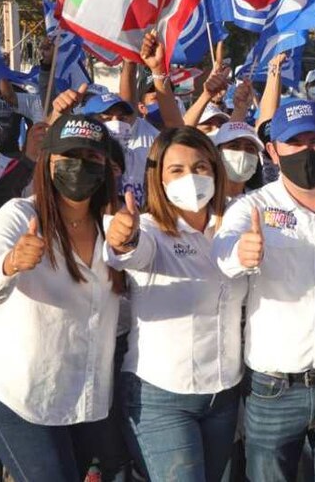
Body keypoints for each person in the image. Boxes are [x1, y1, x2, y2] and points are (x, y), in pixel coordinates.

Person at [212, 98, 315, 481]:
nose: (306, 150)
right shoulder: (252, 206)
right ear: (272, 151)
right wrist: (240, 252)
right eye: (294, 142)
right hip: (274, 388)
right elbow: (223, 249)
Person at [0, 115, 130, 481]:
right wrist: (10, 263)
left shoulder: (114, 228)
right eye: (69, 155)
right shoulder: (21, 214)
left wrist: (133, 246)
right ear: (48, 160)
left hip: (84, 400)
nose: (80, 165)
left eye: (91, 156)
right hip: (20, 396)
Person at [103, 127, 242, 481]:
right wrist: (123, 239)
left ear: (215, 170)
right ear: (158, 179)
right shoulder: (150, 229)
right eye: (176, 170)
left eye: (200, 167)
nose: (190, 178)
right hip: (162, 397)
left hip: (223, 394)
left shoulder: (235, 225)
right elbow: (131, 250)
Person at [212, 121, 265, 201]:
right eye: (234, 146)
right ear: (217, 153)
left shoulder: (262, 200)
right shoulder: (204, 199)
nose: (242, 152)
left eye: (250, 148)